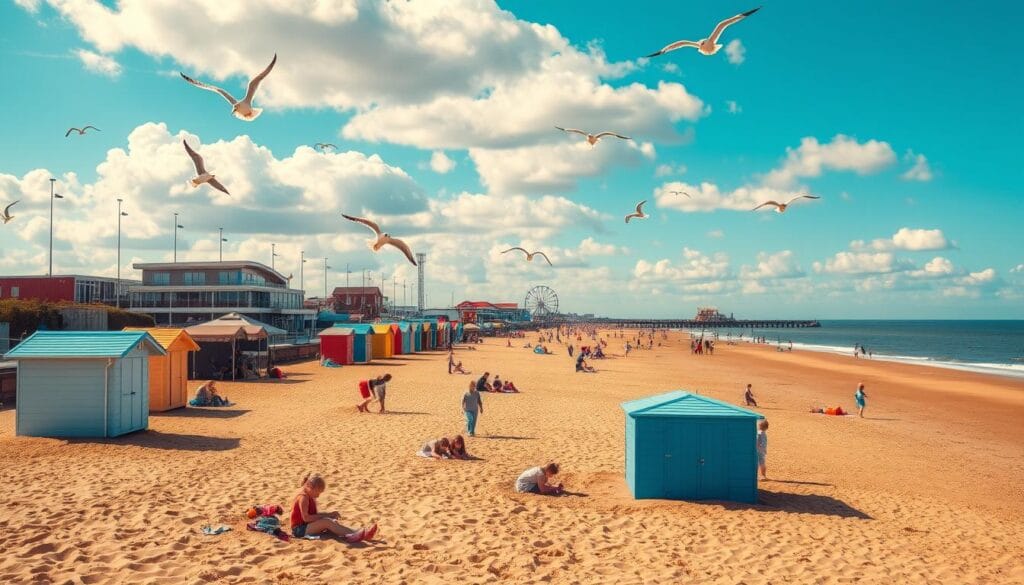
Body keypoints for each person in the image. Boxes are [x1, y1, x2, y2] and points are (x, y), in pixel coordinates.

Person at [291, 473, 377, 542]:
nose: (318, 496)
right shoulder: (303, 498)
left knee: (332, 522)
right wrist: (326, 517)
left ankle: (357, 532)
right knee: (326, 522)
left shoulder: (309, 496)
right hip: (299, 530)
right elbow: (306, 518)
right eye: (317, 493)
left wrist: (330, 514)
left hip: (306, 527)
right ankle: (356, 534)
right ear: (310, 487)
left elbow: (314, 515)